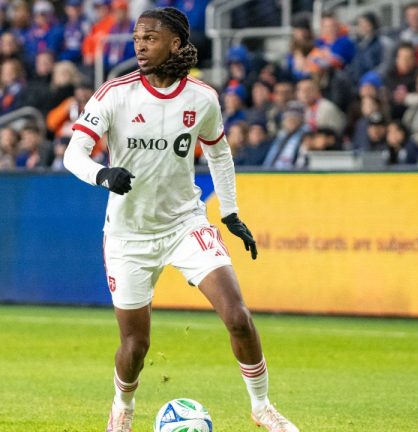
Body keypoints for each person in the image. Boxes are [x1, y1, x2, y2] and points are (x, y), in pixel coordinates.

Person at [63, 8, 298, 432]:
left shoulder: (201, 98)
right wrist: (102, 174)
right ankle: (123, 407)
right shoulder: (115, 93)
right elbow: (72, 153)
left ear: (175, 43)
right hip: (128, 235)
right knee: (135, 345)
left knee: (238, 316)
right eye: (137, 37)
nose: (139, 44)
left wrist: (229, 211)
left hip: (185, 224)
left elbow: (219, 153)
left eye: (150, 38)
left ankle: (262, 407)